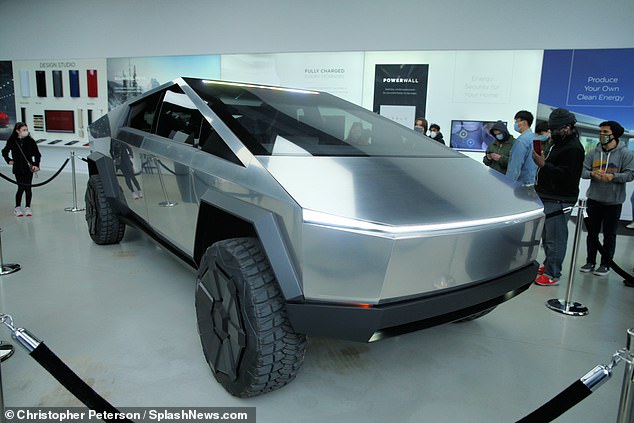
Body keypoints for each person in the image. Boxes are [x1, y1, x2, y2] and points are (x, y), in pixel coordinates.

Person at [532, 108, 585, 286]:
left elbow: (568, 177)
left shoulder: (574, 148)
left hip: (559, 199)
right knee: (547, 236)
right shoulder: (557, 143)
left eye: (556, 129)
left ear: (567, 127)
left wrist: (543, 165)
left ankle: (553, 273)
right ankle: (548, 265)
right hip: (548, 196)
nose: (553, 132)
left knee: (556, 237)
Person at [579, 121, 634, 276]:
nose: (601, 134)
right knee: (592, 233)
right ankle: (590, 262)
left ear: (614, 135)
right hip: (594, 199)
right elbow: (582, 171)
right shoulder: (593, 153)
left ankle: (606, 264)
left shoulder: (626, 154)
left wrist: (613, 176)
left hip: (613, 202)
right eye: (601, 132)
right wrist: (591, 174)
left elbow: (630, 174)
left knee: (609, 235)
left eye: (605, 132)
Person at [2, 122, 41, 216]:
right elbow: (4, 151)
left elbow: (37, 154)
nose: (26, 132)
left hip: (28, 168)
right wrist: (8, 160)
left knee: (28, 188)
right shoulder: (12, 141)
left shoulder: (30, 141)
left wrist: (36, 165)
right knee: (21, 188)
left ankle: (28, 207)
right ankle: (17, 207)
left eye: (26, 130)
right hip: (18, 168)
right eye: (23, 130)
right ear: (17, 131)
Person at [506, 110, 537, 186]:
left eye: (517, 121)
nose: (515, 124)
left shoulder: (521, 141)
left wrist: (507, 184)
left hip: (520, 184)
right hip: (532, 182)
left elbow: (515, 166)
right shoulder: (536, 139)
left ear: (524, 122)